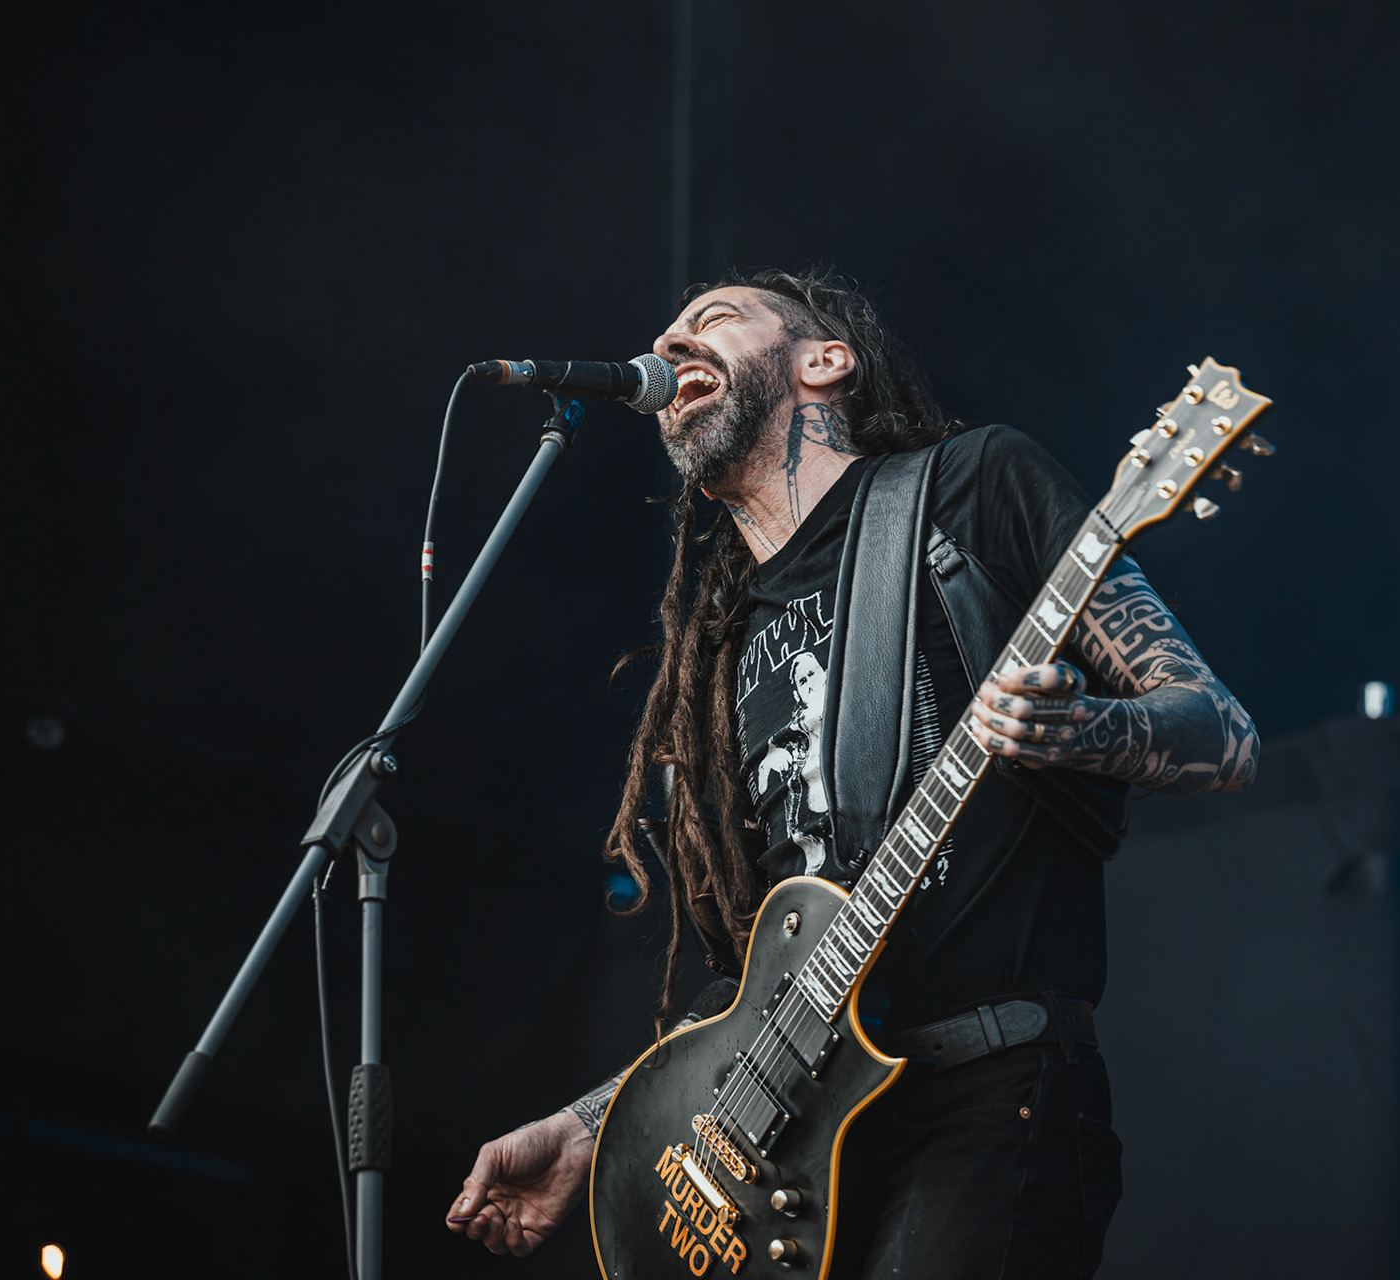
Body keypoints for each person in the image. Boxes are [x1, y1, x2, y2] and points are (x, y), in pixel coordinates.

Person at [446, 267, 1258, 1276]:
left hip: (987, 1100)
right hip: (808, 1148)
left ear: (825, 361)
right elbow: (766, 985)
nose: (674, 345)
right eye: (669, 333)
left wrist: (1078, 727)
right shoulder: (723, 653)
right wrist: (582, 1126)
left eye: (714, 322)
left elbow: (1221, 730)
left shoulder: (972, 482)